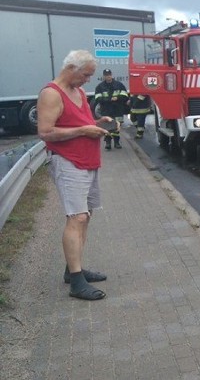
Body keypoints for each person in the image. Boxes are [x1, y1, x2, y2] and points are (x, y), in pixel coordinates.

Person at [37, 50, 111, 301]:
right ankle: (76, 283)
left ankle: (73, 269)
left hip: (88, 161)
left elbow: (82, 121)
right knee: (76, 217)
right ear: (71, 68)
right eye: (86, 75)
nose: (88, 80)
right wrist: (83, 130)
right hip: (68, 162)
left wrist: (99, 122)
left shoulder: (78, 92)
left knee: (85, 215)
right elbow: (45, 132)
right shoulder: (51, 94)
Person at [93, 68, 129, 150]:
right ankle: (108, 143)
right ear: (104, 76)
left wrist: (118, 98)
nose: (108, 77)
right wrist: (109, 99)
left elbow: (125, 96)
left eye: (109, 75)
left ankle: (117, 143)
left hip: (117, 110)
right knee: (107, 127)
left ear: (111, 75)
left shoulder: (119, 85)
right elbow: (97, 98)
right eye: (106, 75)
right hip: (106, 110)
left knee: (117, 127)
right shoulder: (100, 87)